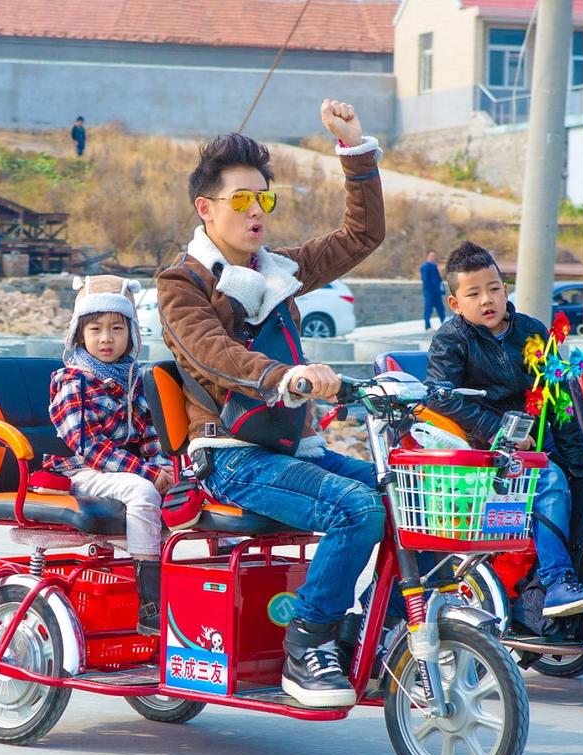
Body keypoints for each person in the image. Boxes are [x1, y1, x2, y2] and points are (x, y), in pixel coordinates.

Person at [157, 99, 385, 708]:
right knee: (358, 508)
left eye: (264, 198)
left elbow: (363, 235)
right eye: (240, 200)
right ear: (206, 208)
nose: (256, 210)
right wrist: (286, 376)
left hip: (291, 446)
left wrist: (354, 149)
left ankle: (377, 625)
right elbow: (211, 352)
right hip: (231, 458)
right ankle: (307, 637)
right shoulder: (182, 284)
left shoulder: (280, 271)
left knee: (403, 495)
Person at [424, 240, 583, 619]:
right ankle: (557, 582)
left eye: (493, 288)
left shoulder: (531, 330)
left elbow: (558, 397)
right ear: (455, 304)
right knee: (551, 479)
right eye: (473, 293)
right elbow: (440, 398)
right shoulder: (451, 339)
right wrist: (499, 431)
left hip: (539, 444)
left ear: (506, 289)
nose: (487, 300)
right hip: (485, 455)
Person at [43, 275, 174, 635]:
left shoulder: (134, 379)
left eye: (117, 328)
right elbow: (89, 446)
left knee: (187, 490)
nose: (106, 338)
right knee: (143, 492)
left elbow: (149, 434)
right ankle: (150, 600)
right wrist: (148, 475)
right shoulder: (73, 381)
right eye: (96, 329)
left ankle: (197, 581)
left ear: (131, 333)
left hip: (124, 470)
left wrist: (165, 469)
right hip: (82, 469)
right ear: (79, 335)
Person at [419, 250, 446, 329]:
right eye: (431, 255)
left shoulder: (434, 266)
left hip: (437, 292)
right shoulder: (425, 266)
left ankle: (444, 324)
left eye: (434, 255)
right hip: (429, 292)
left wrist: (442, 289)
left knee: (441, 308)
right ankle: (427, 326)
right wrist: (428, 291)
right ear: (428, 256)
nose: (433, 257)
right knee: (428, 308)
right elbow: (425, 280)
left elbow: (439, 279)